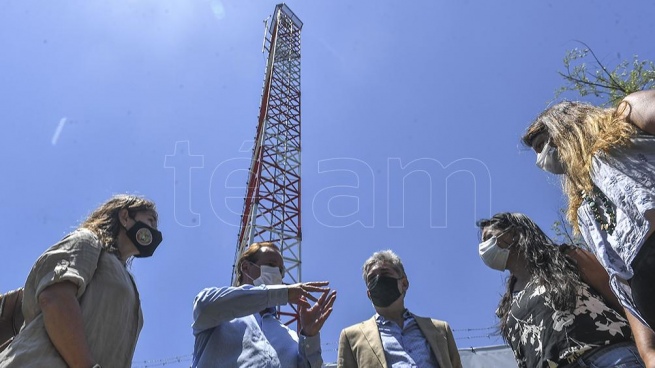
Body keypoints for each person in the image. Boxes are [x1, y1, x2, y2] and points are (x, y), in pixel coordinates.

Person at [522, 89, 655, 365]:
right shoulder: (582, 210)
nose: (540, 160)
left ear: (564, 124)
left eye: (541, 145)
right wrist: (647, 349)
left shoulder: (627, 116)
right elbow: (620, 278)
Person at [0, 194, 163, 368]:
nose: (154, 229)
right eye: (150, 220)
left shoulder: (126, 281)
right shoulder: (89, 241)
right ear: (125, 217)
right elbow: (55, 298)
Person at [477, 212, 643, 368]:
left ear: (515, 232)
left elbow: (622, 297)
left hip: (607, 358)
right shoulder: (507, 307)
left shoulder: (566, 258)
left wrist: (648, 347)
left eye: (489, 237)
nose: (484, 247)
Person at [191, 241, 337, 368]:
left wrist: (309, 336)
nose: (278, 274)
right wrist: (280, 294)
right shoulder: (220, 314)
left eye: (281, 271)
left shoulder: (291, 335)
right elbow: (204, 307)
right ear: (246, 267)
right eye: (271, 264)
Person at [337, 249, 462, 368]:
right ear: (369, 294)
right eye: (371, 278)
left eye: (385, 273)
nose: (378, 280)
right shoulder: (351, 336)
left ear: (404, 284)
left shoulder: (440, 329)